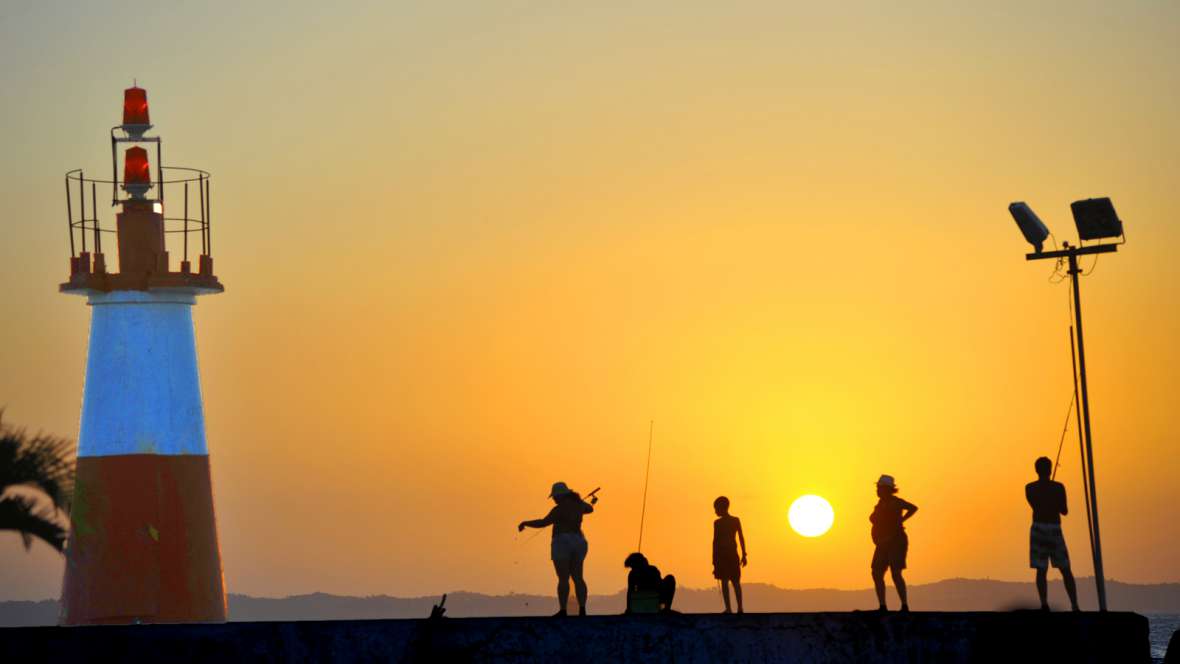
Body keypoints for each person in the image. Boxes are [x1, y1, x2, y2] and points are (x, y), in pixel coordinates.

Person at [518, 481, 597, 616]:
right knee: (578, 578)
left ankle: (563, 610)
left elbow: (543, 522)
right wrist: (591, 501)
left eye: (555, 496)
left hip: (562, 542)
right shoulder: (579, 505)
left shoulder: (558, 510)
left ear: (560, 496)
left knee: (563, 578)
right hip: (579, 541)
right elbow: (590, 509)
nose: (554, 499)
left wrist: (525, 523)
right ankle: (582, 609)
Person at [1026, 456, 1080, 611]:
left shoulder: (1029, 488)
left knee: (1041, 569)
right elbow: (1064, 511)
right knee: (1065, 569)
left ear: (1036, 470)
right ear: (1050, 470)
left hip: (1038, 530)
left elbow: (1036, 505)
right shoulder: (1058, 487)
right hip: (1054, 529)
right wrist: (1053, 496)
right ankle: (1074, 605)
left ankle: (1044, 604)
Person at [870, 474, 917, 612]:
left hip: (896, 541)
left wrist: (902, 520)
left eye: (879, 488)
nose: (877, 490)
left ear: (887, 489)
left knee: (895, 573)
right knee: (877, 572)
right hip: (882, 543)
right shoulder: (879, 505)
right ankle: (883, 606)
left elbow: (913, 508)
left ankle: (904, 605)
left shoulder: (896, 502)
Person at [712, 496, 747, 614]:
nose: (715, 511)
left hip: (724, 556)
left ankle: (731, 609)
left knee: (727, 582)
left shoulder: (719, 523)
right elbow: (741, 538)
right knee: (734, 582)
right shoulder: (734, 520)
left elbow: (715, 542)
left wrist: (714, 560)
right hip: (730, 555)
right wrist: (744, 554)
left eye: (716, 508)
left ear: (721, 508)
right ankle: (739, 608)